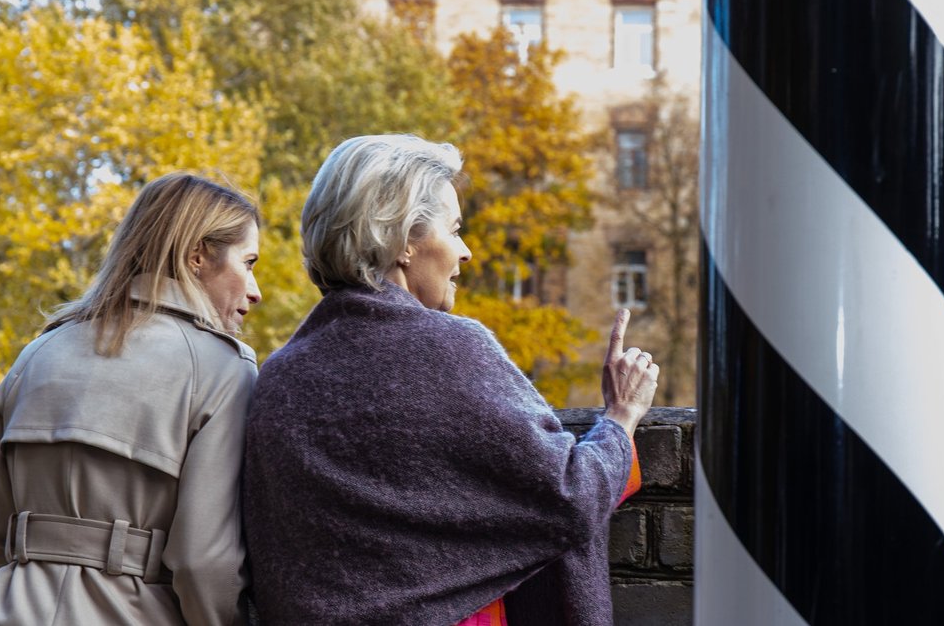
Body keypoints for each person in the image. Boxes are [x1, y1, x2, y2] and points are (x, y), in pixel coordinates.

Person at [243, 134, 658, 625]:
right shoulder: (453, 351)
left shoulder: (278, 378)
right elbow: (570, 496)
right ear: (400, 241)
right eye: (454, 229)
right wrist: (620, 417)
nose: (465, 253)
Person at [0, 172, 262, 625]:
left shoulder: (37, 353)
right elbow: (204, 562)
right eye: (248, 262)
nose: (254, 290)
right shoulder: (222, 368)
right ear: (197, 257)